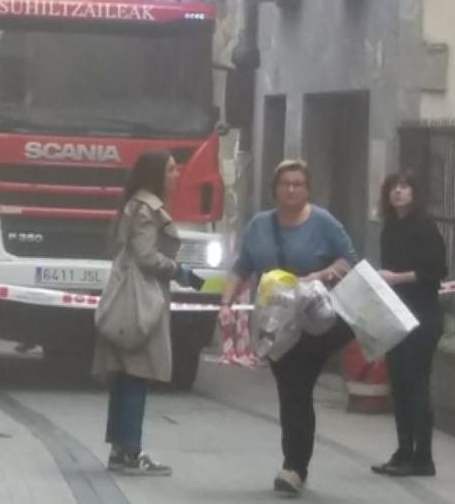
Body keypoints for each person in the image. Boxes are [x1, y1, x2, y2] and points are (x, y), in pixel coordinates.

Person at [219, 159, 357, 498]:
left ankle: (294, 467)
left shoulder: (323, 222)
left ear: (307, 189)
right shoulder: (259, 226)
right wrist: (226, 303)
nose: (292, 190)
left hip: (314, 322)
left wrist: (320, 275)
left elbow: (347, 260)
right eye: (285, 184)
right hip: (276, 324)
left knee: (298, 386)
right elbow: (241, 267)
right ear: (275, 189)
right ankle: (294, 464)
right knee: (290, 391)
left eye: (298, 184)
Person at [93, 150, 203, 476]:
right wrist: (178, 270)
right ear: (156, 174)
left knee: (126, 377)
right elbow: (146, 256)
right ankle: (130, 452)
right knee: (136, 377)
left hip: (131, 295)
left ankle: (121, 450)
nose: (177, 175)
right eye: (171, 170)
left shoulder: (137, 205)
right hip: (140, 301)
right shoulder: (146, 209)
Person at [371, 169, 447, 478]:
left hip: (422, 314)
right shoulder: (390, 228)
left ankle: (423, 457)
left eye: (404, 187)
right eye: (393, 187)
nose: (398, 192)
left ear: (415, 193)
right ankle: (403, 451)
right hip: (395, 313)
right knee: (399, 386)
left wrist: (396, 278)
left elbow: (436, 271)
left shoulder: (425, 226)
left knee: (416, 385)